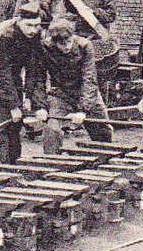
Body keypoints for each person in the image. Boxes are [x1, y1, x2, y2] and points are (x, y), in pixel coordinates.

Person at [27, 18, 113, 154]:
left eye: (68, 41)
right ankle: (52, 162)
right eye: (61, 44)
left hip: (86, 94)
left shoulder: (85, 46)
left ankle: (105, 160)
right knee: (52, 130)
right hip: (61, 95)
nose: (66, 46)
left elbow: (89, 79)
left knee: (102, 131)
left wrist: (83, 110)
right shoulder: (45, 48)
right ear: (54, 42)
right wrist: (40, 106)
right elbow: (38, 78)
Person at [0, 2, 44, 165]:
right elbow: (0, 73)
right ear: (19, 21)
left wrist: (29, 97)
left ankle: (14, 168)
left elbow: (33, 68)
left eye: (37, 25)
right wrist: (13, 105)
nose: (33, 30)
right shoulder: (4, 35)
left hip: (12, 77)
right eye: (29, 25)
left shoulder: (35, 34)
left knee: (15, 126)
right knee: (0, 126)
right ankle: (0, 173)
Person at [67, 0, 119, 100]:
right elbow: (72, 9)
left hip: (97, 38)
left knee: (95, 74)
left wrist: (94, 12)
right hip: (80, 34)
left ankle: (97, 104)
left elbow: (111, 15)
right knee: (77, 71)